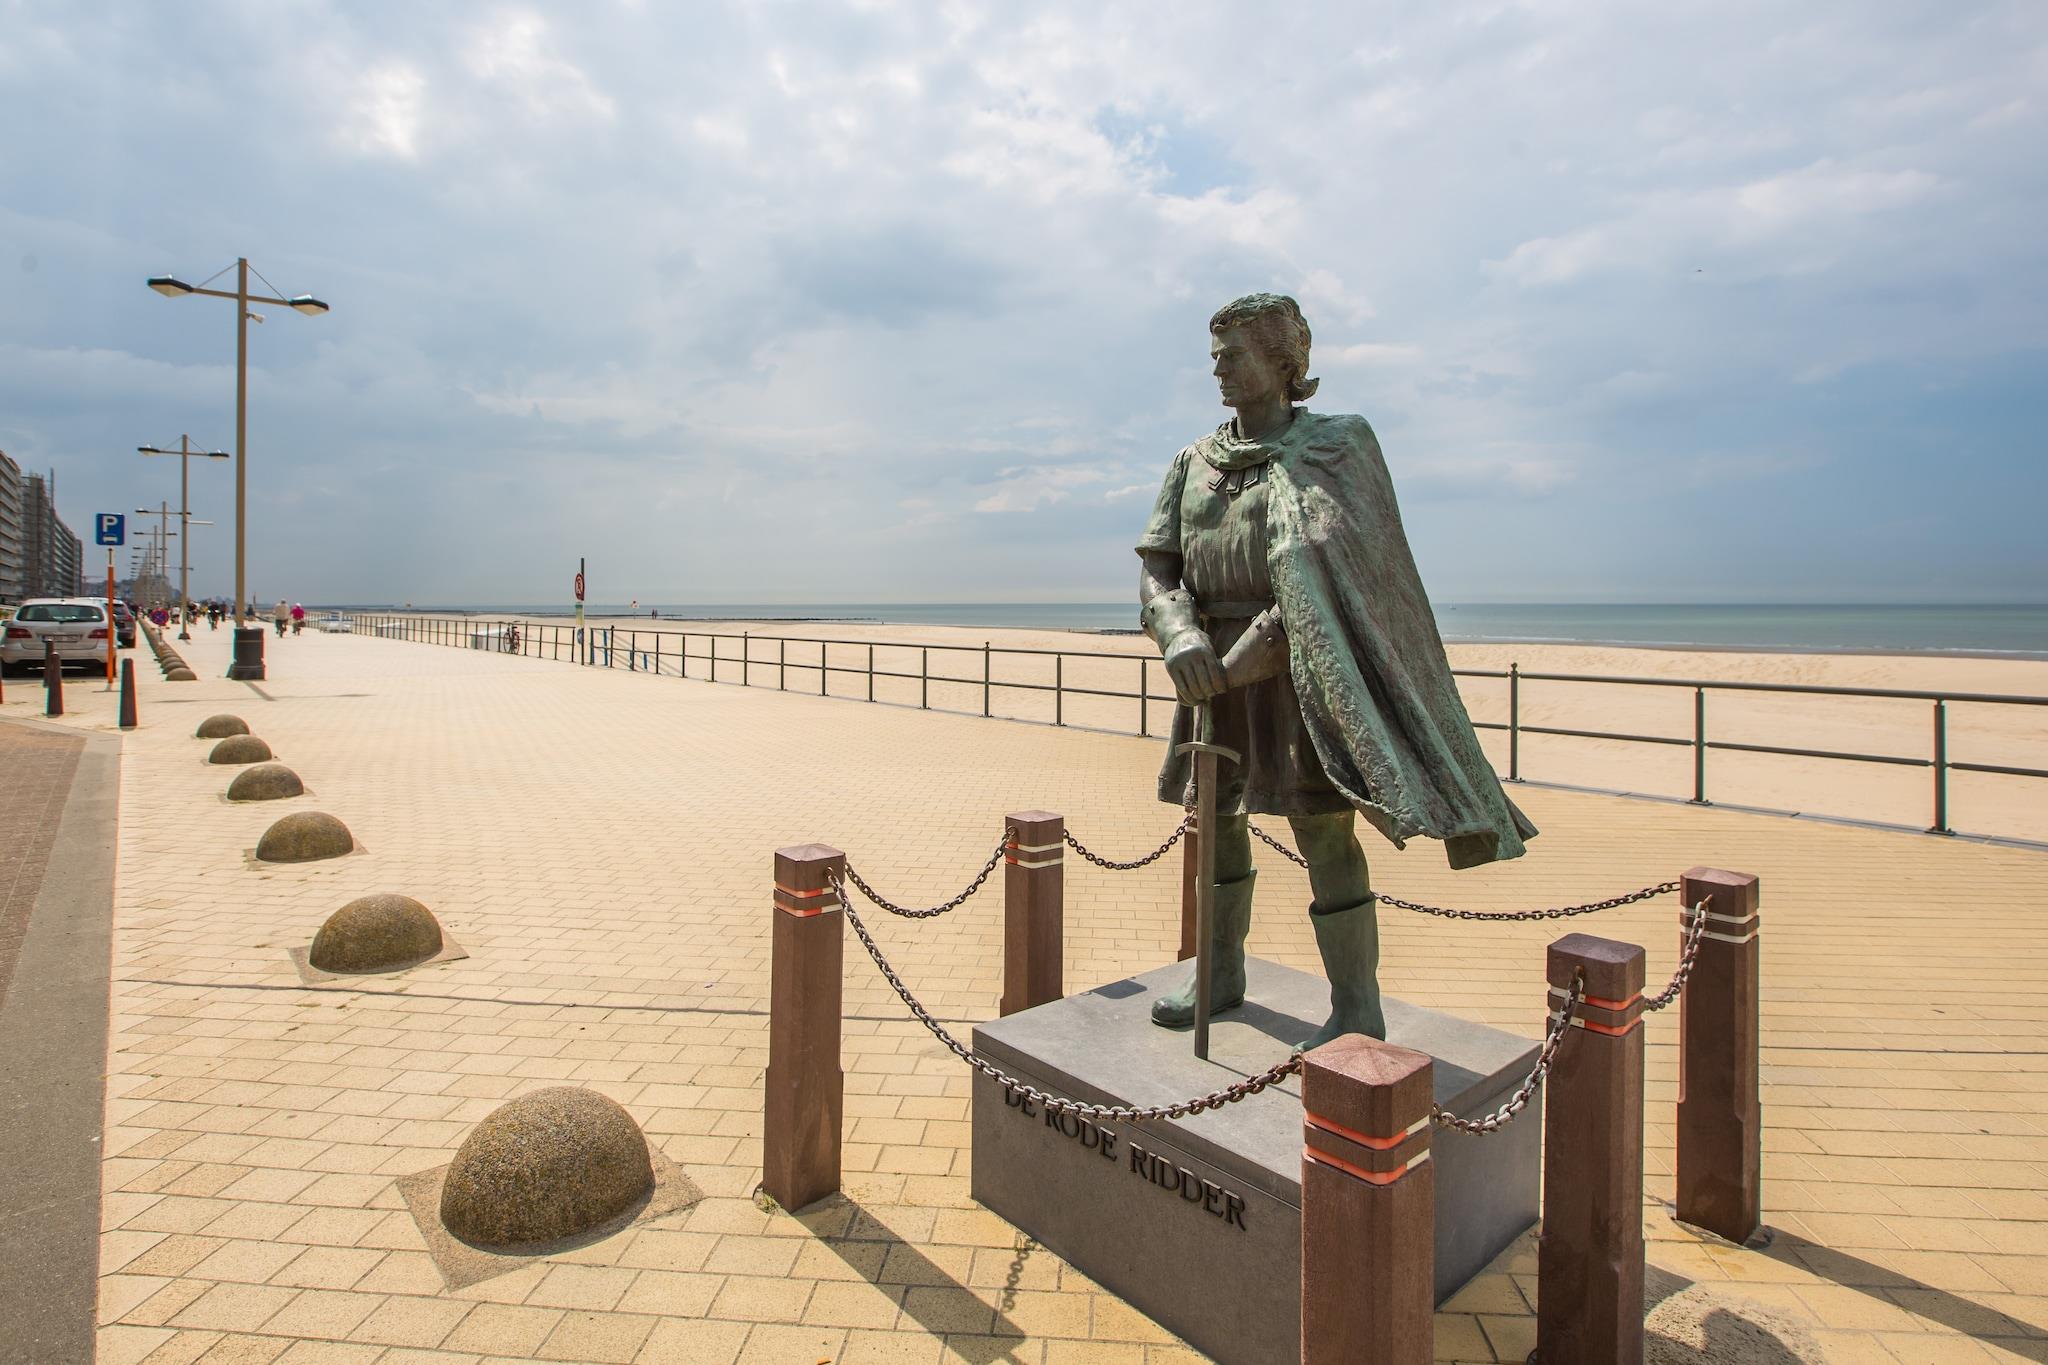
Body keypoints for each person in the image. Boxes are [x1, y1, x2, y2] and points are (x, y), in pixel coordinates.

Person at [1136, 293, 1534, 1048]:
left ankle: (1356, 1006)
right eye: (1214, 357)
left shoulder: (1336, 446)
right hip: (1209, 677)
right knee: (1215, 824)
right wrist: (1179, 633)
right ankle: (1219, 974)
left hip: (1305, 671)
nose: (1218, 369)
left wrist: (1267, 642)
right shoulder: (1192, 462)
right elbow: (1159, 566)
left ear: (1283, 361)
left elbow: (1347, 570)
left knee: (1323, 829)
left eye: (1234, 355)